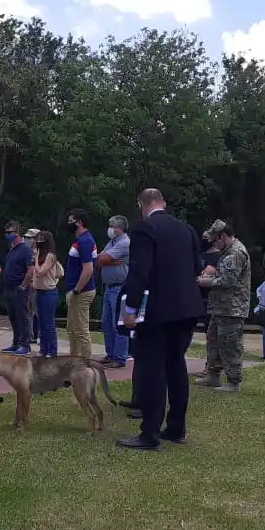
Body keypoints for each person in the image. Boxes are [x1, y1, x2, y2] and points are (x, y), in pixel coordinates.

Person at [116, 188, 205, 450]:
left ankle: (150, 433)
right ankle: (176, 428)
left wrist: (130, 310)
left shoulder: (146, 228)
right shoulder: (186, 229)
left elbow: (140, 272)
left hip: (157, 310)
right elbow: (197, 268)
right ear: (163, 203)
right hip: (187, 309)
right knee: (176, 367)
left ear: (141, 204)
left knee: (153, 370)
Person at [195, 220, 251, 393]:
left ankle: (233, 381)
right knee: (214, 342)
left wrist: (206, 281)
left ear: (224, 236)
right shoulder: (226, 252)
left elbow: (228, 281)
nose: (214, 244)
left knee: (230, 345)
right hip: (220, 307)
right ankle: (213, 375)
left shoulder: (235, 253)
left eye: (215, 240)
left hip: (232, 309)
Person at [96, 215, 130, 369]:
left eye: (112, 226)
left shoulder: (124, 242)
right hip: (109, 288)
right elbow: (98, 259)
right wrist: (108, 260)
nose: (110, 229)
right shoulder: (112, 242)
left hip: (120, 287)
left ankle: (120, 357)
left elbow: (102, 259)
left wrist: (106, 260)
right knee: (106, 322)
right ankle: (110, 355)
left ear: (120, 228)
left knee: (118, 324)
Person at [64, 209, 98, 358]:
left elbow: (88, 269)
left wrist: (77, 290)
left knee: (80, 329)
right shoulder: (82, 240)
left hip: (81, 291)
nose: (68, 224)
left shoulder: (85, 241)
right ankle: (74, 360)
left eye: (71, 221)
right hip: (77, 290)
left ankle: (85, 364)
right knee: (72, 328)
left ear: (79, 222)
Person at [2, 221, 34, 355]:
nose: (7, 235)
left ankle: (24, 344)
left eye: (10, 232)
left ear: (17, 233)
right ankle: (16, 342)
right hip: (9, 288)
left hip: (19, 288)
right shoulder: (12, 249)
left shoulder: (25, 248)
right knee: (13, 317)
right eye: (6, 232)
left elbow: (30, 269)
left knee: (22, 316)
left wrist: (23, 285)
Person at [32, 230, 61, 357]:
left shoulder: (50, 256)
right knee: (41, 322)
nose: (38, 241)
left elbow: (40, 272)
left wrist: (37, 258)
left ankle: (52, 351)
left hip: (49, 292)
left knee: (49, 323)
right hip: (39, 291)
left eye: (41, 239)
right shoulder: (40, 253)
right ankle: (43, 350)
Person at [24, 228, 41, 345]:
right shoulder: (26, 251)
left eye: (29, 238)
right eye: (26, 238)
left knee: (36, 312)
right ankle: (30, 335)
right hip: (28, 285)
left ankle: (36, 335)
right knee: (28, 312)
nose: (27, 240)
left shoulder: (40, 253)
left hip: (37, 286)